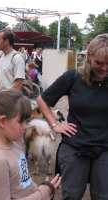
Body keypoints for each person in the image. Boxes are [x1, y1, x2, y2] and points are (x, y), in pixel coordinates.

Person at [36, 33, 108, 199]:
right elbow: (42, 100)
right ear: (89, 57)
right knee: (72, 195)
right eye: (99, 63)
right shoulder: (73, 77)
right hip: (75, 148)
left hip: (105, 149)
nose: (104, 68)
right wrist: (55, 125)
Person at [0, 89, 61, 200]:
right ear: (2, 121)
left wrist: (42, 188)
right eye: (21, 121)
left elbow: (23, 181)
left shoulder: (14, 144)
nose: (26, 126)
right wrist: (42, 193)